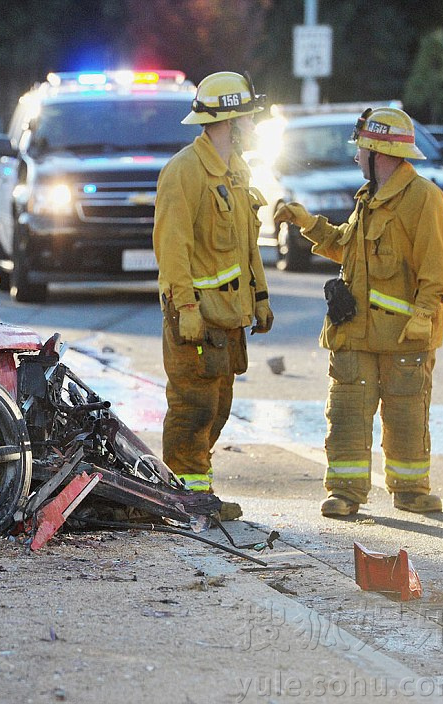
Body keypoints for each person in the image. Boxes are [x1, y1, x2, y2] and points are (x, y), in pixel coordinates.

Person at [274, 107, 443, 517]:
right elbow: (347, 248)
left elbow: (436, 271)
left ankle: (410, 490)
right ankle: (345, 492)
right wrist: (308, 223)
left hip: (404, 336)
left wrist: (423, 315)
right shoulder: (368, 198)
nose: (356, 156)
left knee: (406, 414)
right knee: (347, 412)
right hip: (355, 332)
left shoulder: (423, 199)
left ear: (380, 153)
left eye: (362, 150)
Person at [152, 71, 273, 522]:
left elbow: (246, 245)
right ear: (229, 122)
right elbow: (173, 248)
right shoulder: (184, 172)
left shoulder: (236, 172)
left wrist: (260, 297)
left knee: (218, 408)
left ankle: (194, 494)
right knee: (193, 410)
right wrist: (185, 307)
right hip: (197, 320)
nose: (254, 126)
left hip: (227, 319)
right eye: (249, 118)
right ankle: (185, 501)